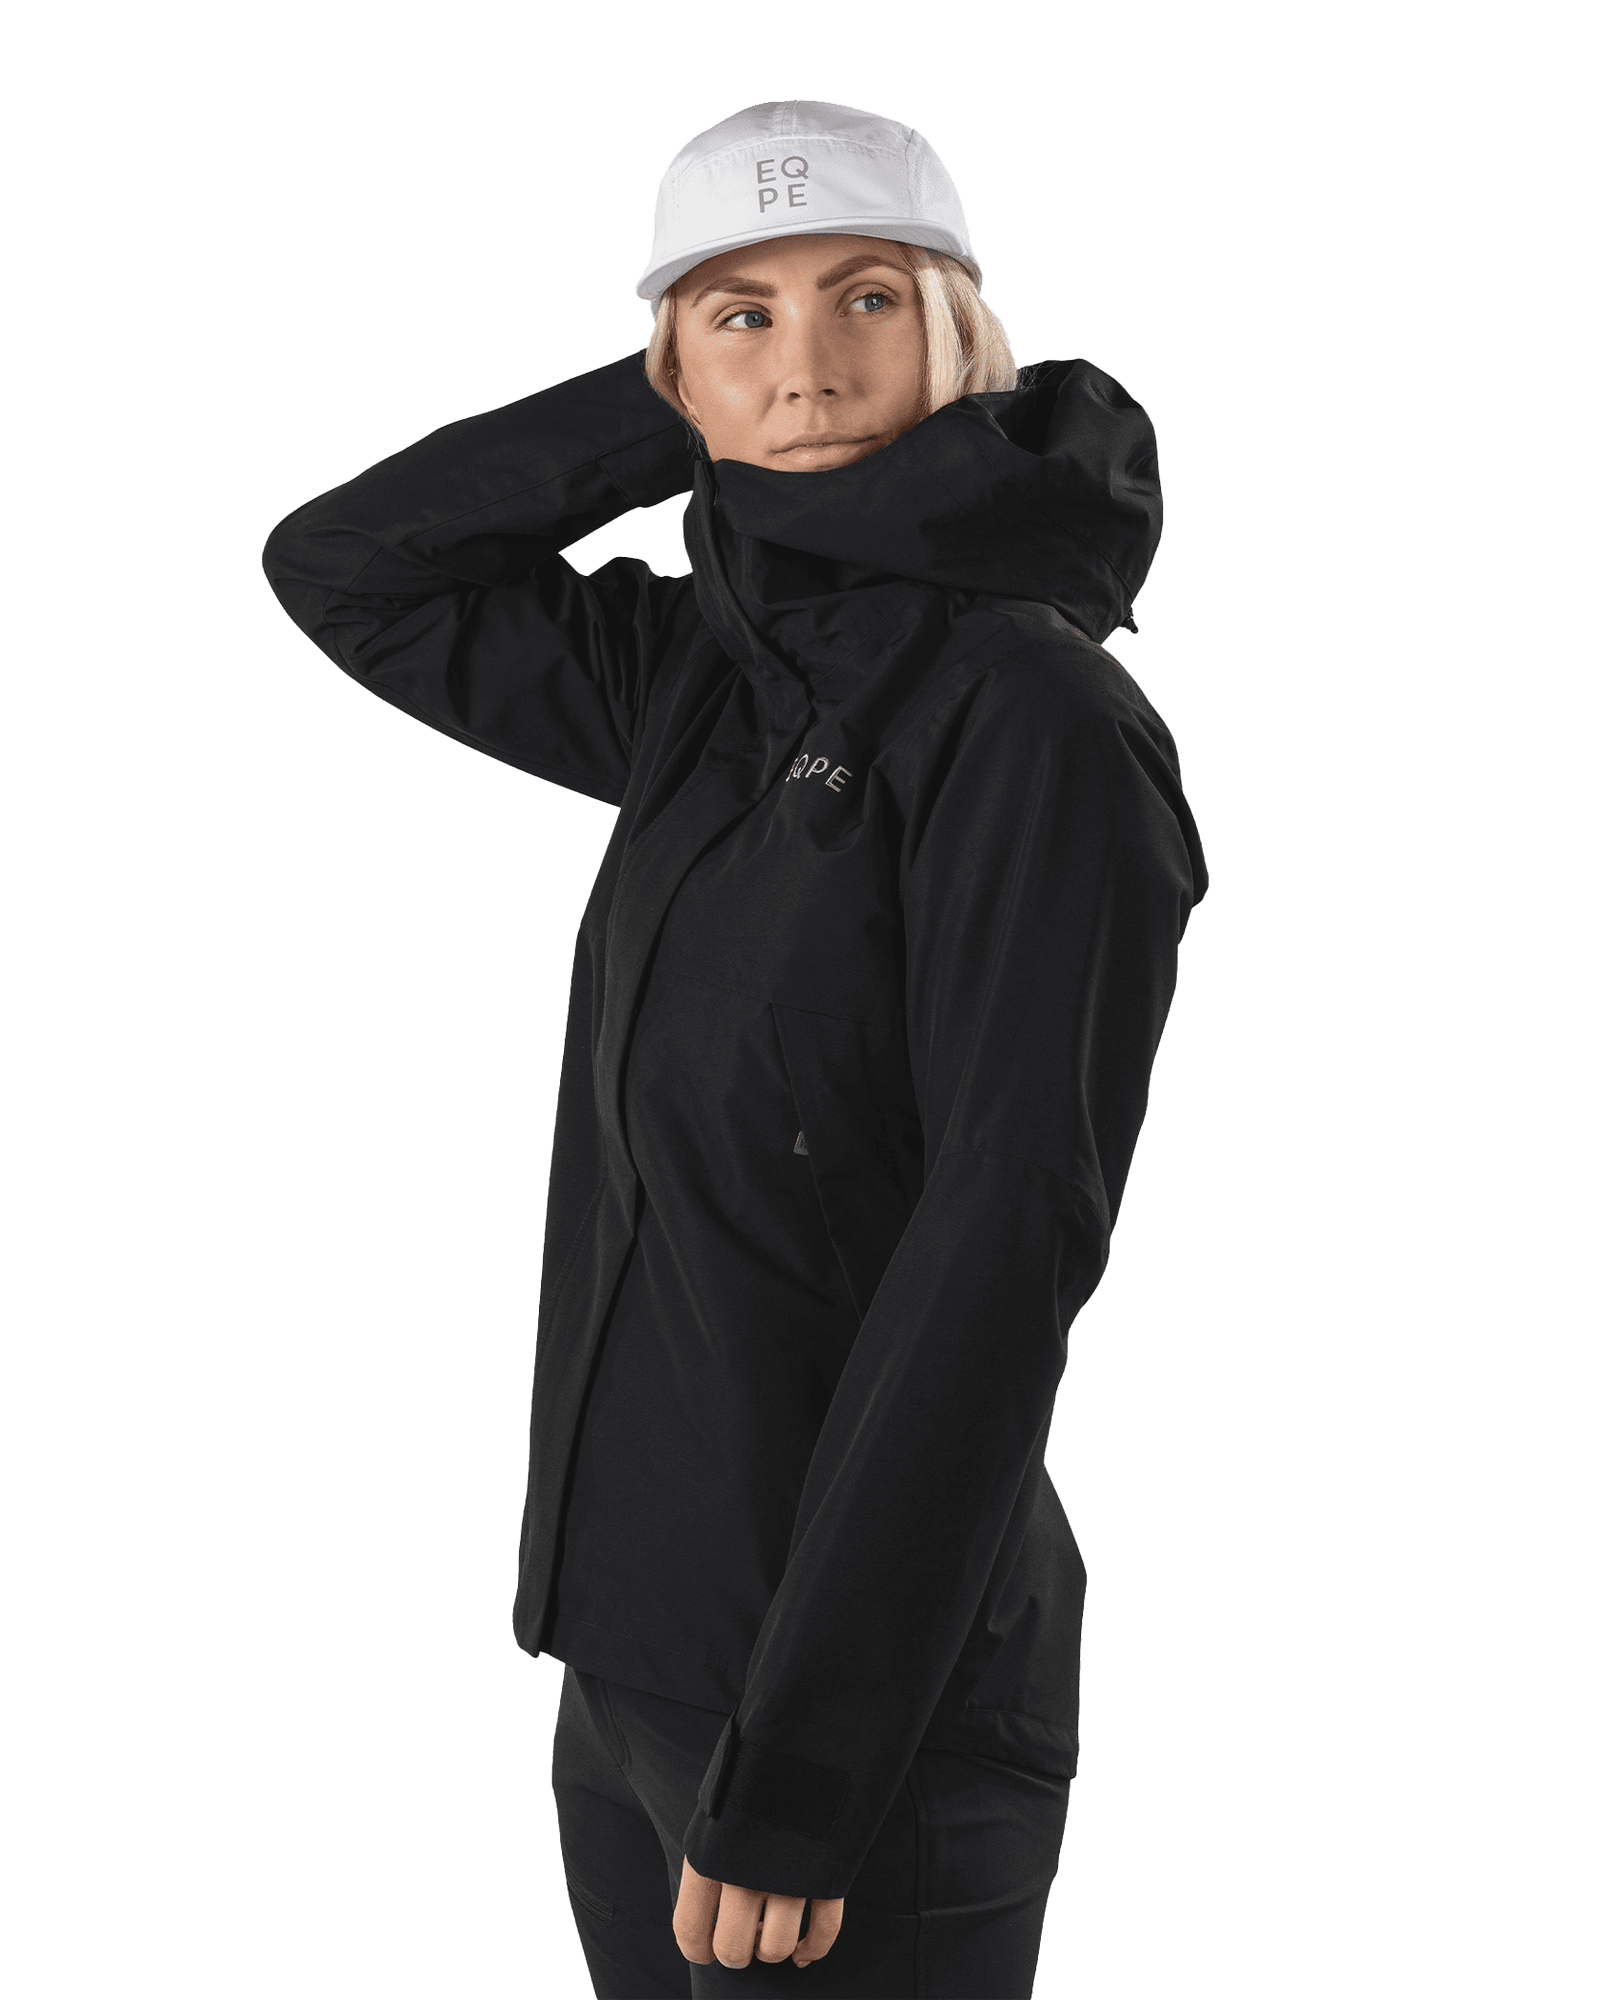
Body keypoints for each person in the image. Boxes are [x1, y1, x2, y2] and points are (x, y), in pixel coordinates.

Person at [262, 97, 1208, 2000]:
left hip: (854, 1719)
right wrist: (673, 408)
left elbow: (1005, 1243)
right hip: (639, 1670)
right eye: (740, 312)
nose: (809, 363)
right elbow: (349, 565)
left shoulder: (1035, 719)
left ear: (957, 333)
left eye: (866, 297)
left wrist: (808, 1770)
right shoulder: (703, 671)